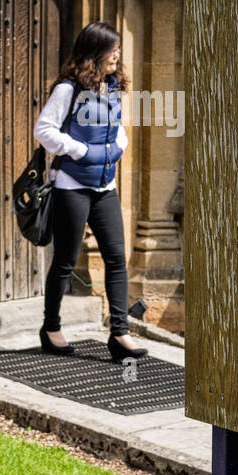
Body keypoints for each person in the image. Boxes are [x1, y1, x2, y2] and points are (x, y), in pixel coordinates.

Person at [33, 21, 147, 361]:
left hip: (105, 186)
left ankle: (120, 334)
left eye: (117, 49)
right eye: (111, 49)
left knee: (116, 258)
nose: (117, 55)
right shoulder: (68, 89)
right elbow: (44, 130)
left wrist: (119, 146)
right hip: (73, 186)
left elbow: (119, 128)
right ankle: (51, 328)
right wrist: (81, 151)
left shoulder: (112, 87)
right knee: (66, 261)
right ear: (93, 53)